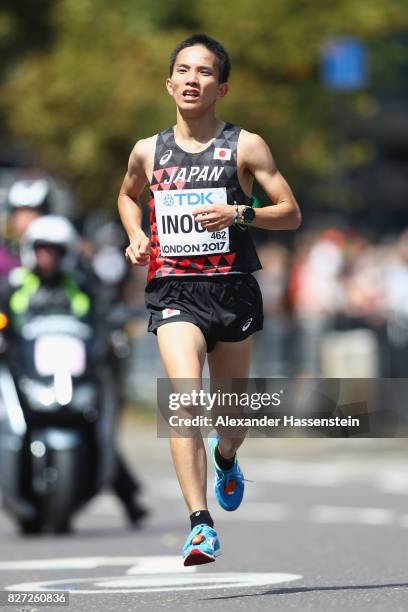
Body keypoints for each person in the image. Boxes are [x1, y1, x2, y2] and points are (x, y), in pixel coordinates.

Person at [118, 33, 301, 565]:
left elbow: (290, 212)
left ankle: (226, 457)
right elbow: (128, 196)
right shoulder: (147, 151)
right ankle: (200, 524)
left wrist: (239, 213)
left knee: (231, 418)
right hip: (174, 289)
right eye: (183, 70)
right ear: (169, 83)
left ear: (221, 87)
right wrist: (135, 235)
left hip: (233, 289)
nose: (192, 79)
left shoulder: (246, 146)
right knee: (183, 401)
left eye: (204, 72)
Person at [0, 214, 147, 527]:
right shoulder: (15, 286)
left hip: (72, 375)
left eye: (55, 250)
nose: (48, 257)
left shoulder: (81, 286)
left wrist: (111, 334)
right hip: (26, 375)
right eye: (42, 249)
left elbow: (103, 317)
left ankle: (127, 494)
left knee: (98, 426)